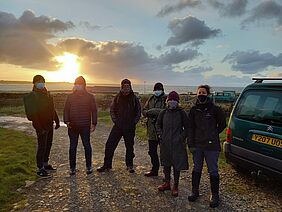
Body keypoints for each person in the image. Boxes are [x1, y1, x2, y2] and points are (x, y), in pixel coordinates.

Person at [187, 85, 226, 208]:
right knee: (196, 168)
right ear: (196, 94)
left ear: (208, 94)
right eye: (199, 92)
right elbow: (190, 128)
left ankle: (215, 195)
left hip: (211, 146)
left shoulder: (215, 109)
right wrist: (191, 144)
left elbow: (222, 124)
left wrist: (213, 134)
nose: (201, 94)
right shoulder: (193, 110)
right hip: (197, 145)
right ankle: (195, 191)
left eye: (203, 92)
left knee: (213, 170)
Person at [97, 79, 141, 173]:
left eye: (127, 87)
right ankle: (107, 165)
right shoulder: (117, 97)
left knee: (129, 147)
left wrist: (134, 122)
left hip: (130, 127)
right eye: (124, 87)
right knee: (109, 145)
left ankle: (129, 165)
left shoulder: (134, 98)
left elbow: (138, 112)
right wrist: (116, 121)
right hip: (118, 126)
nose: (126, 89)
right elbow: (112, 110)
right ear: (121, 87)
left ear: (130, 87)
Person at [23, 75, 60, 177]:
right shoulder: (33, 96)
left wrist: (57, 121)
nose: (41, 83)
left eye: (42, 81)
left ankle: (45, 163)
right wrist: (39, 128)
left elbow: (52, 109)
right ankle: (40, 168)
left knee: (48, 144)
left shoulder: (47, 94)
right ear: (34, 83)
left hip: (49, 124)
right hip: (41, 125)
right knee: (42, 146)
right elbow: (34, 115)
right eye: (38, 81)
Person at [156, 91, 189, 197]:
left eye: (174, 100)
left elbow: (188, 127)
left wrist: (181, 138)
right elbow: (158, 125)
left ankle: (175, 185)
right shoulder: (163, 113)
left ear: (177, 102)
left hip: (177, 144)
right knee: (166, 163)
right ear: (167, 101)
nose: (172, 102)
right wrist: (161, 135)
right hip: (165, 143)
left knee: (176, 165)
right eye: (170, 100)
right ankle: (166, 183)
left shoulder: (181, 113)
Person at [64, 76, 97, 175]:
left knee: (87, 146)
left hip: (85, 126)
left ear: (84, 85)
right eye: (77, 84)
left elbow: (94, 110)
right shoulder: (70, 97)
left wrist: (94, 123)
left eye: (80, 84)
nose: (78, 86)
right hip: (72, 126)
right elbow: (66, 110)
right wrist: (67, 121)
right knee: (72, 147)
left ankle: (89, 166)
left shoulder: (90, 97)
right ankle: (72, 168)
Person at [142, 82, 166, 177]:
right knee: (152, 151)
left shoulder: (166, 99)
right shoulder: (151, 99)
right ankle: (154, 170)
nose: (157, 91)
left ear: (162, 90)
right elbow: (144, 111)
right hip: (151, 130)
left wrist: (152, 111)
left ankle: (166, 174)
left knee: (164, 153)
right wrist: (148, 113)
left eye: (159, 89)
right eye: (155, 89)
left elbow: (166, 111)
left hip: (162, 131)